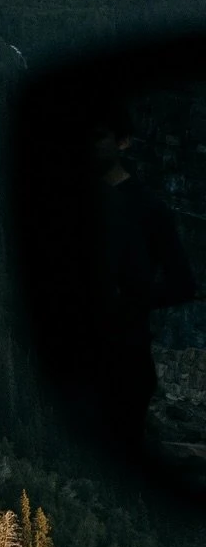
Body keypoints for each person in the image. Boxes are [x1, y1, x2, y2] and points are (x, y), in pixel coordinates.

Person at [92, 111, 197, 448]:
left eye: (99, 136)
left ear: (122, 141)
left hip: (126, 354)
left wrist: (132, 301)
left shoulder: (149, 210)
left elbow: (183, 283)